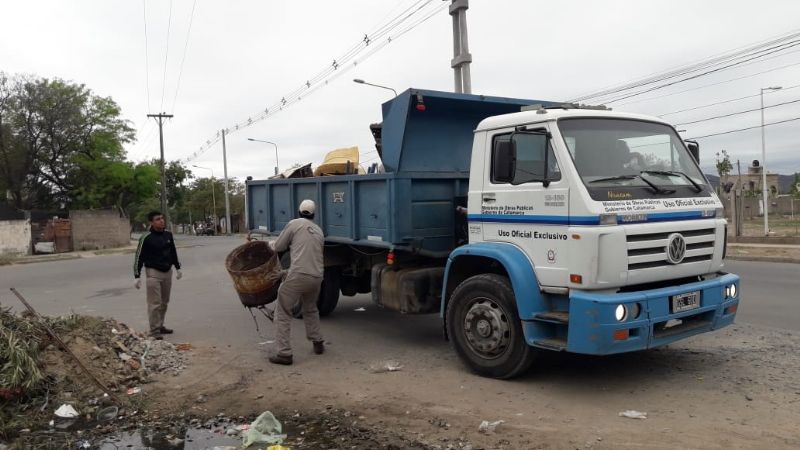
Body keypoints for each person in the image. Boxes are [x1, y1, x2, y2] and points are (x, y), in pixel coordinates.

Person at [268, 199, 325, 365]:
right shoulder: (319, 231)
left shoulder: (294, 224)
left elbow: (278, 246)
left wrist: (268, 244)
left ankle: (284, 353)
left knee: (282, 311)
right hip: (316, 277)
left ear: (299, 211)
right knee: (311, 308)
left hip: (299, 275)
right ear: (314, 214)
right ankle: (318, 342)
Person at [133, 211, 183, 339]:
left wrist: (177, 268)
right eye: (157, 219)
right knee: (154, 304)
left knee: (164, 302)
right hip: (153, 273)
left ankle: (160, 325)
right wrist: (137, 275)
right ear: (151, 222)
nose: (161, 221)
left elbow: (173, 252)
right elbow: (139, 257)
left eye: (162, 218)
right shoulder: (146, 237)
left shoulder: (168, 235)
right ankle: (154, 331)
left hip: (167, 272)